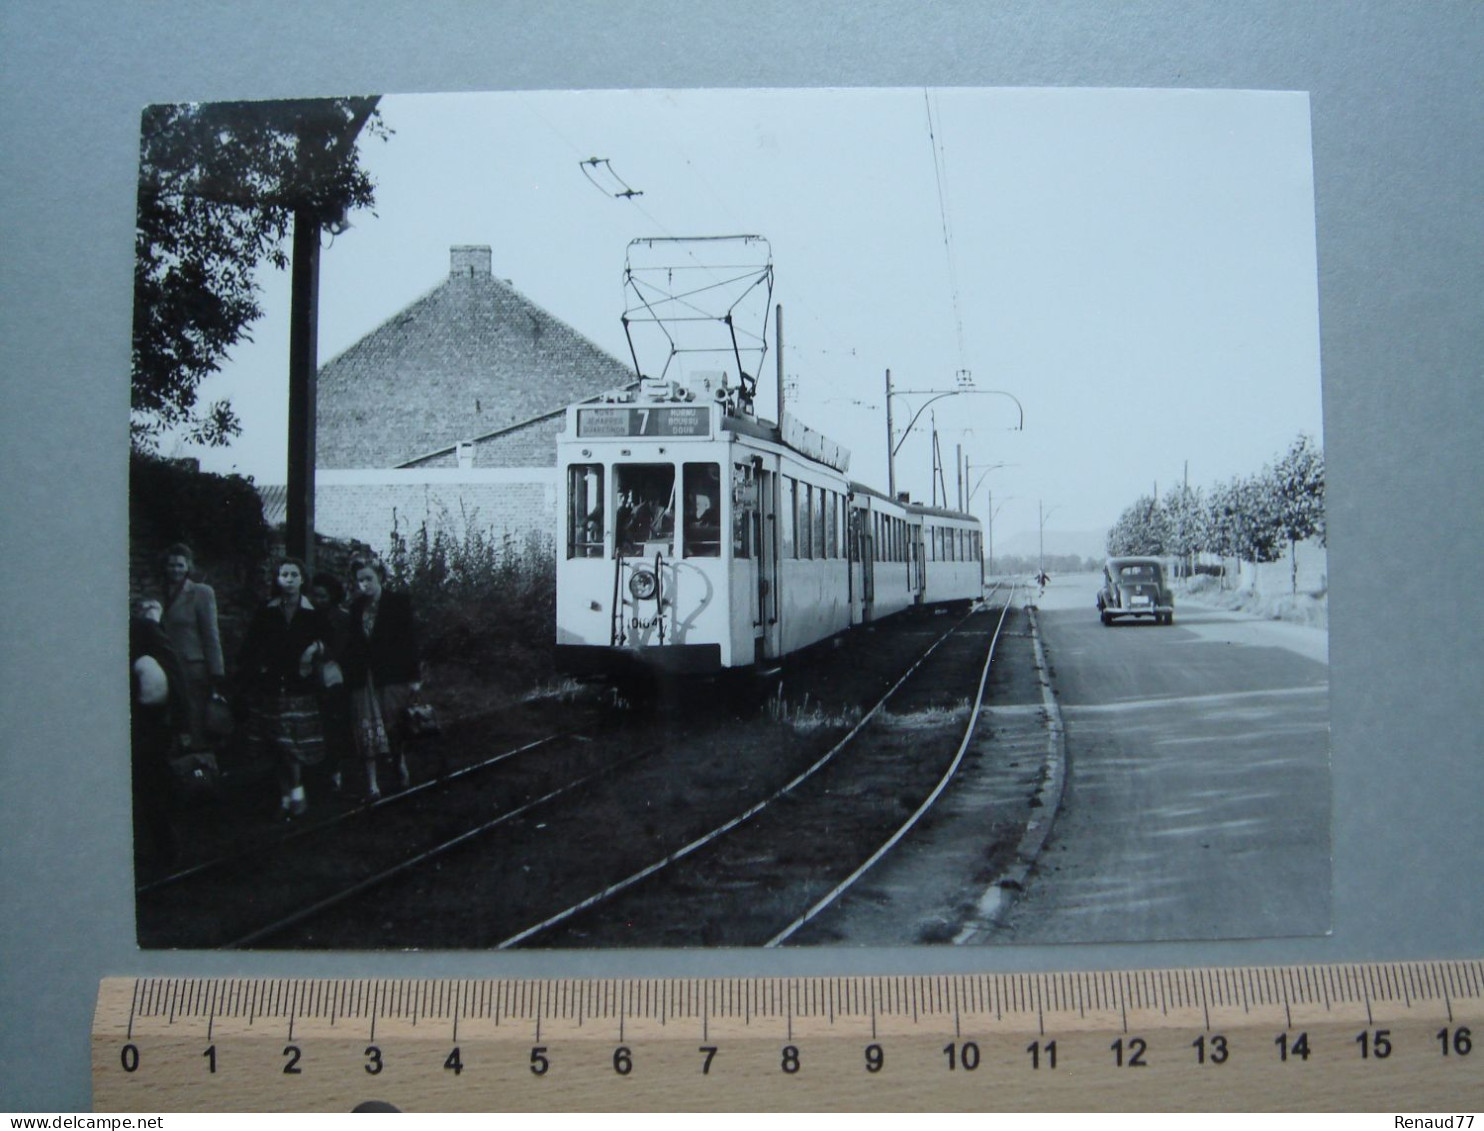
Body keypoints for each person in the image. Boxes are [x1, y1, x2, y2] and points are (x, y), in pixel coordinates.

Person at [236, 557, 330, 818]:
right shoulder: (267, 610)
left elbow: (331, 642)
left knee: (293, 743)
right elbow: (250, 646)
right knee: (276, 743)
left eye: (293, 574)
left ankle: (297, 793)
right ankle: (287, 797)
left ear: (302, 579)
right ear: (277, 580)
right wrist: (259, 666)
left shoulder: (313, 612)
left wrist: (315, 648)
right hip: (271, 686)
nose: (288, 579)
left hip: (300, 687)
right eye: (283, 574)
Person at [344, 557, 422, 800]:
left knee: (393, 723)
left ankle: (399, 763)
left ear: (380, 577)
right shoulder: (356, 608)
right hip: (364, 676)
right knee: (367, 725)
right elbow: (353, 644)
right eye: (360, 580)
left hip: (392, 674)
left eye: (369, 579)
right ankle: (372, 784)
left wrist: (414, 676)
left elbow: (409, 641)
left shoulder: (397, 603)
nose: (364, 585)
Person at [130, 597, 190, 864]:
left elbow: (174, 677)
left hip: (147, 722)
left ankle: (169, 847)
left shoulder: (143, 630)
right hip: (140, 720)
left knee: (151, 782)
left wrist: (181, 723)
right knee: (150, 782)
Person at [159, 543, 225, 751]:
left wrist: (216, 673)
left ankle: (199, 769)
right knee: (169, 719)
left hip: (192, 667)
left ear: (188, 567)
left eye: (180, 565)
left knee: (194, 719)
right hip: (165, 667)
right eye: (171, 565)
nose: (175, 570)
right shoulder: (158, 593)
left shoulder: (201, 593)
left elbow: (211, 634)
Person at [311, 571, 357, 798]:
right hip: (313, 676)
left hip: (335, 677)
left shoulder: (341, 617)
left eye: (322, 596)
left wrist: (322, 651)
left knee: (334, 726)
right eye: (315, 595)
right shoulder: (309, 616)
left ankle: (335, 772)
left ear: (331, 596)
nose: (318, 600)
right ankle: (321, 770)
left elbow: (342, 648)